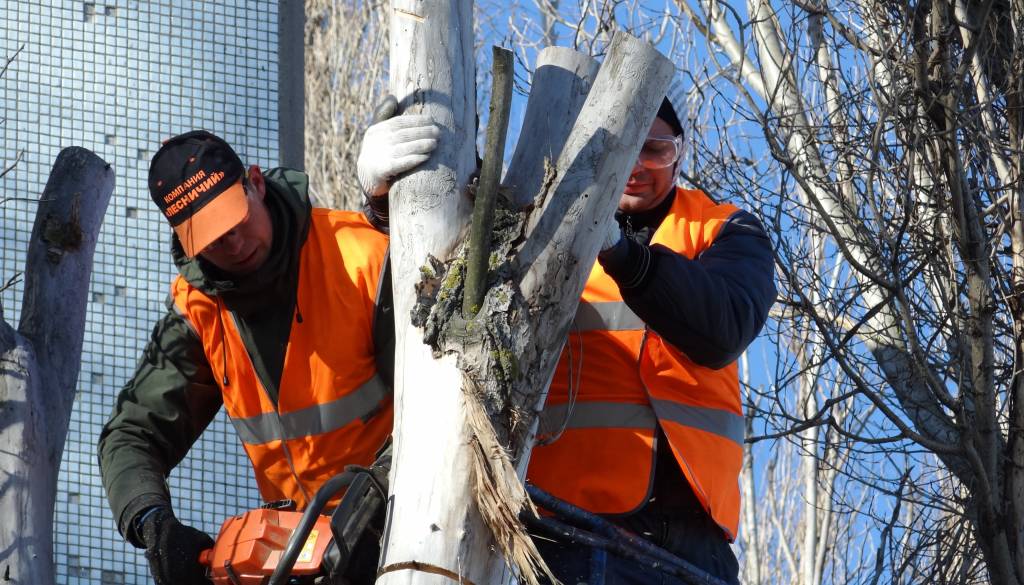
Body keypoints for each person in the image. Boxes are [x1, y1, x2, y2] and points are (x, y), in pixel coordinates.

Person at [358, 83, 775, 584]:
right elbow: (444, 275)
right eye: (626, 148)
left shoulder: (722, 230)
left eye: (656, 149)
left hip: (688, 546)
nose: (639, 165)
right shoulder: (538, 226)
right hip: (568, 534)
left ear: (680, 152)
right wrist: (388, 202)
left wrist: (627, 258)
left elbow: (723, 326)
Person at [97, 127, 435, 585]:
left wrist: (373, 498)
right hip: (298, 558)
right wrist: (152, 523)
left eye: (235, 222)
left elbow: (438, 409)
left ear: (254, 183)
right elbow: (131, 434)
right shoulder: (199, 311)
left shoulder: (364, 260)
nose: (232, 245)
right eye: (212, 238)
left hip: (409, 529)